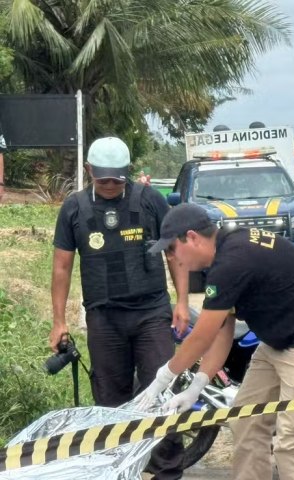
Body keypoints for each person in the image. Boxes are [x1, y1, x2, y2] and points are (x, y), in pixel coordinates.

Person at [138, 203, 294, 480]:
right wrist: (197, 385)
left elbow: (202, 335)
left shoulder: (233, 260)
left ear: (192, 237)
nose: (173, 258)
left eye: (171, 249)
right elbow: (222, 330)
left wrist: (163, 377)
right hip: (281, 340)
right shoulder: (225, 252)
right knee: (245, 420)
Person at [49, 136, 189, 480]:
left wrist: (182, 302)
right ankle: (116, 471)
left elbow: (175, 254)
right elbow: (62, 266)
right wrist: (58, 321)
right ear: (88, 172)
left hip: (151, 314)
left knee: (160, 395)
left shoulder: (151, 201)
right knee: (110, 400)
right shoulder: (74, 209)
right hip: (104, 318)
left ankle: (167, 473)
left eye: (117, 179)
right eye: (103, 179)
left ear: (127, 173)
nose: (110, 185)